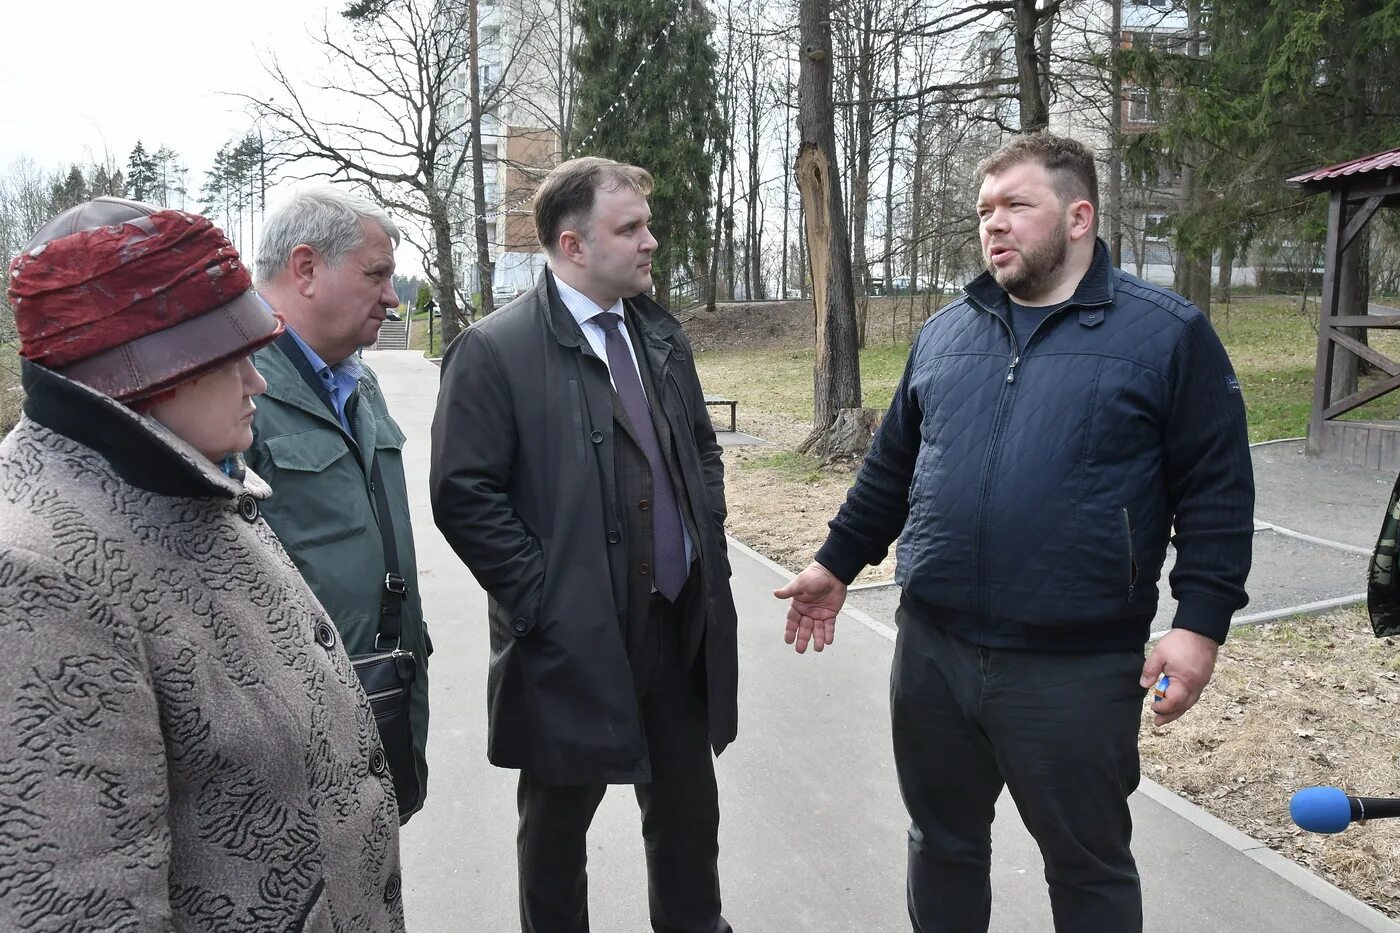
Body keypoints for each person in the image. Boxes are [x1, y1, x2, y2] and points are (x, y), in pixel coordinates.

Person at [776, 133, 1255, 932]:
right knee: (942, 844)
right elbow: (891, 470)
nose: (993, 226)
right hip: (933, 651)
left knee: (1088, 867)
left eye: (1015, 207)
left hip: (1075, 666)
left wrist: (1199, 624)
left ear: (1079, 217)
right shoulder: (945, 334)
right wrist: (836, 563)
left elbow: (1217, 492)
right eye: (984, 212)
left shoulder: (1166, 337)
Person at [0, 197, 404, 930]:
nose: (257, 381)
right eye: (233, 356)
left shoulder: (179, 475)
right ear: (143, 369)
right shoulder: (39, 575)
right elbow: (78, 903)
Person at [429, 156, 739, 933]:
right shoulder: (494, 351)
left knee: (688, 824)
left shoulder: (660, 335)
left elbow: (700, 449)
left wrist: (704, 536)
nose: (650, 242)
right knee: (557, 837)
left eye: (647, 224)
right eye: (629, 228)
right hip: (570, 645)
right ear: (572, 245)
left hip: (676, 627)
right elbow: (462, 495)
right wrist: (545, 597)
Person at [245, 186, 431, 821]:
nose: (392, 296)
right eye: (377, 274)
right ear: (305, 269)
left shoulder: (358, 378)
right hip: (292, 728)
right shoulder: (234, 388)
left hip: (382, 691)